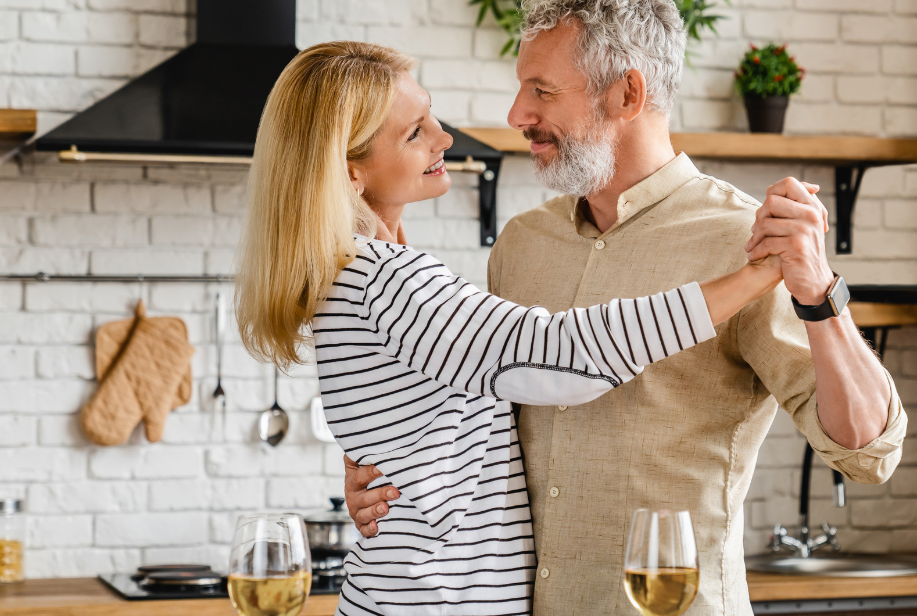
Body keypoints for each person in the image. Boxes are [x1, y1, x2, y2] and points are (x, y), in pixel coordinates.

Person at [345, 0, 908, 616]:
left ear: (629, 93)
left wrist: (819, 292)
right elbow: (475, 419)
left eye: (542, 91)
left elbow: (869, 451)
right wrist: (381, 475)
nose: (516, 115)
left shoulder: (746, 243)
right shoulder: (524, 245)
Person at [234, 40, 789, 616]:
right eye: (414, 133)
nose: (444, 139)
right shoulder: (386, 280)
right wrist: (754, 276)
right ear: (352, 173)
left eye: (431, 117)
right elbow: (562, 359)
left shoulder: (349, 276)